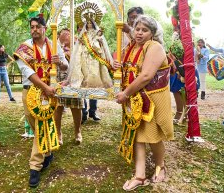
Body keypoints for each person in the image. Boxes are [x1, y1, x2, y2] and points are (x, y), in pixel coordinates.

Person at [114, 15, 174, 190]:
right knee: (138, 135)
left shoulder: (154, 47)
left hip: (152, 98)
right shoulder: (132, 47)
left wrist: (125, 93)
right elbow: (130, 69)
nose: (139, 33)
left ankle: (160, 166)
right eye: (137, 29)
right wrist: (119, 66)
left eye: (144, 30)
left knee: (153, 136)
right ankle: (140, 176)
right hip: (135, 98)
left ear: (152, 33)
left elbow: (146, 76)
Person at [14, 16, 68, 188]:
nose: (34, 30)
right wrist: (45, 87)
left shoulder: (54, 45)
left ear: (45, 28)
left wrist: (59, 62)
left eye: (37, 27)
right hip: (30, 91)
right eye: (32, 27)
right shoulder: (25, 48)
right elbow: (28, 73)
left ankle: (34, 167)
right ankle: (48, 152)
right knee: (33, 121)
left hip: (48, 94)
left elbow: (66, 66)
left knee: (39, 127)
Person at [55, 28, 83, 145]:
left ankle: (78, 131)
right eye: (64, 33)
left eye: (69, 33)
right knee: (58, 106)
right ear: (59, 35)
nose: (67, 35)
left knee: (76, 105)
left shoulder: (77, 43)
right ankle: (58, 133)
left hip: (73, 78)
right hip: (57, 78)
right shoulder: (54, 44)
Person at [67, 19, 114, 88]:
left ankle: (95, 85)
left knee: (95, 70)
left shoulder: (96, 32)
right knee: (85, 69)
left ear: (93, 24)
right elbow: (81, 42)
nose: (89, 25)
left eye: (90, 23)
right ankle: (85, 84)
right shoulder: (84, 34)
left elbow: (98, 40)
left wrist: (97, 41)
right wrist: (82, 42)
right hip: (85, 53)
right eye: (88, 23)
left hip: (94, 52)